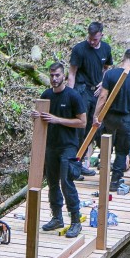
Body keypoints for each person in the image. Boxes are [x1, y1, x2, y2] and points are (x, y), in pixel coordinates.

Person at [30, 61, 87, 239]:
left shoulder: (73, 96)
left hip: (68, 146)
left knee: (66, 181)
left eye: (57, 75)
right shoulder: (46, 95)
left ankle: (75, 221)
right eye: (52, 75)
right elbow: (43, 120)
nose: (54, 79)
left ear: (64, 76)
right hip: (50, 145)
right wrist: (36, 117)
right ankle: (57, 217)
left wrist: (57, 120)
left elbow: (82, 122)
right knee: (52, 182)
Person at [93, 48, 130, 193]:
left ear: (124, 58)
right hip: (126, 119)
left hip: (109, 117)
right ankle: (115, 181)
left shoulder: (110, 74)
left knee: (107, 146)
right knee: (121, 151)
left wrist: (96, 115)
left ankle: (103, 176)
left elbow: (103, 97)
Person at [67, 21, 114, 171]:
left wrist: (103, 82)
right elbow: (72, 73)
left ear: (101, 35)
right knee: (81, 125)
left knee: (93, 126)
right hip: (82, 89)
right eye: (90, 38)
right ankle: (76, 161)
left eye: (95, 39)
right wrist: (70, 95)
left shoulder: (106, 48)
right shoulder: (79, 49)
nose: (92, 42)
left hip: (97, 91)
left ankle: (84, 159)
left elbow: (106, 68)